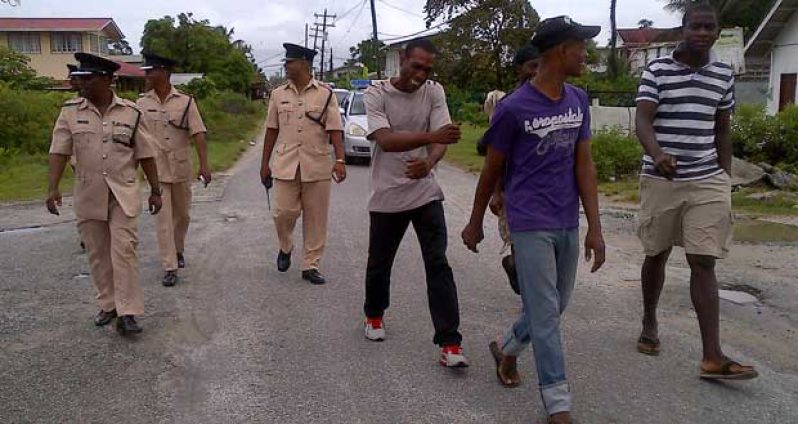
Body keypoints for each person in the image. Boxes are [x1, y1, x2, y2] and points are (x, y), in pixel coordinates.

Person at [462, 16, 605, 424]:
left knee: (555, 306)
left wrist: (595, 227)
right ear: (561, 50)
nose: (585, 54)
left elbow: (585, 166)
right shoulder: (512, 109)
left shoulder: (577, 99)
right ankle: (558, 403)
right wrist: (475, 222)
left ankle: (507, 348)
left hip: (566, 220)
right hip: (528, 221)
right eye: (581, 47)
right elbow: (491, 171)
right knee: (545, 314)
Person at [634, 3, 758, 380]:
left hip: (708, 178)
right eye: (696, 27)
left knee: (703, 261)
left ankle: (712, 355)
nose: (703, 33)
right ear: (683, 30)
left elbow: (723, 129)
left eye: (710, 28)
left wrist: (725, 176)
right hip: (662, 179)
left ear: (717, 32)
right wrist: (657, 155)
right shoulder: (657, 70)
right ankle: (650, 322)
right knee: (656, 253)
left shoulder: (723, 74)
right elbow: (642, 118)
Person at [362, 38, 467, 368]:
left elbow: (443, 137)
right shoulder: (376, 93)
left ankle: (450, 343)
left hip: (424, 191)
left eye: (428, 69)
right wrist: (433, 139)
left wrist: (430, 161)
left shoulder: (434, 92)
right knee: (380, 262)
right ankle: (374, 315)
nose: (421, 74)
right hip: (388, 193)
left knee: (438, 263)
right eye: (416, 65)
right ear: (402, 59)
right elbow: (386, 141)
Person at [46, 53, 162, 335]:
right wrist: (53, 188)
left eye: (90, 78)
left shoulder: (132, 113)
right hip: (88, 193)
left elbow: (146, 154)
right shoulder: (70, 111)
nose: (83, 83)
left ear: (109, 79)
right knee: (98, 254)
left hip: (123, 192)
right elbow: (59, 152)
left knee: (124, 251)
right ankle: (108, 304)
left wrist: (156, 190)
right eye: (82, 78)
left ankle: (128, 311)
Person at [260, 43, 346, 285]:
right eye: (286, 62)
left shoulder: (326, 94)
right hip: (286, 163)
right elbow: (271, 131)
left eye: (290, 62)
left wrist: (340, 160)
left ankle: (310, 264)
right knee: (282, 211)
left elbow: (335, 130)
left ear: (305, 64)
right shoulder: (278, 95)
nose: (286, 66)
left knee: (316, 218)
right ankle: (285, 245)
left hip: (317, 163)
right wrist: (264, 163)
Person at [137, 52, 211, 287]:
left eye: (151, 71)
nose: (147, 75)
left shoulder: (186, 101)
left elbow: (198, 133)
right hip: (156, 170)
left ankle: (178, 249)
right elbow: (135, 139)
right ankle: (169, 265)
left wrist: (204, 165)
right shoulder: (141, 104)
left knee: (183, 215)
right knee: (163, 219)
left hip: (180, 167)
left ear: (164, 72)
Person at [481, 44, 542, 295]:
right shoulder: (508, 107)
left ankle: (532, 286)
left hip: (547, 190)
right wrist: (497, 192)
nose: (537, 72)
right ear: (519, 69)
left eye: (541, 66)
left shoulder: (554, 102)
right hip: (515, 190)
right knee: (522, 243)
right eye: (531, 66)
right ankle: (524, 279)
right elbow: (495, 157)